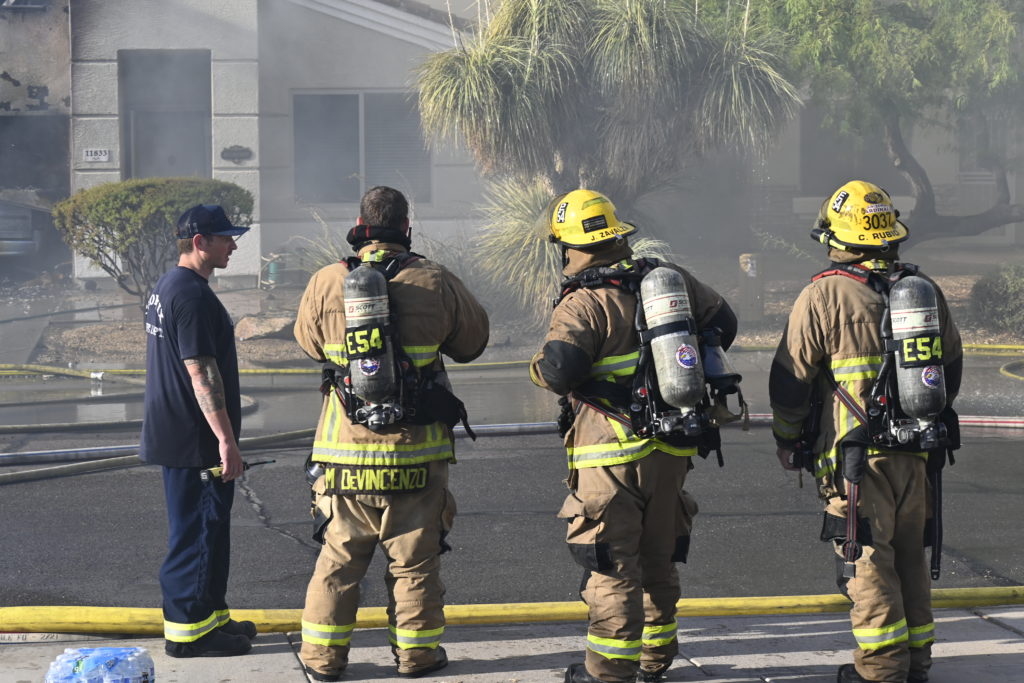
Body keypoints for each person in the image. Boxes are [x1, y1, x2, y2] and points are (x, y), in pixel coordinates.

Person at [530, 189, 738, 683]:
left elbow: (559, 371)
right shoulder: (667, 280)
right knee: (658, 558)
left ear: (570, 246)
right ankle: (654, 660)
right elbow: (725, 324)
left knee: (613, 566)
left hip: (610, 457)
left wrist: (536, 366)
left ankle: (609, 672)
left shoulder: (584, 301)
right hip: (670, 447)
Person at [769, 180, 962, 683]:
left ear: (838, 236)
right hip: (917, 455)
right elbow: (950, 371)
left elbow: (790, 381)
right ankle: (916, 664)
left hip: (857, 461)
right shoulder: (921, 290)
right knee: (910, 558)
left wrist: (789, 439)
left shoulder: (822, 294)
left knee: (868, 563)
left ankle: (880, 671)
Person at [294, 186, 489, 681]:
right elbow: (473, 343)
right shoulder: (435, 280)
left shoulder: (326, 281)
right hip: (416, 455)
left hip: (344, 455)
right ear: (406, 227)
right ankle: (417, 657)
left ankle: (322, 660)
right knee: (414, 564)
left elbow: (309, 345)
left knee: (338, 561)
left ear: (361, 224)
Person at [140, 204, 256, 658]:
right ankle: (190, 634)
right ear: (199, 242)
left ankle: (213, 616)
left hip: (180, 433)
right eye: (225, 238)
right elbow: (201, 373)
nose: (233, 246)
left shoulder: (168, 286)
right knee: (196, 535)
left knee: (211, 531)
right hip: (195, 440)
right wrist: (226, 441)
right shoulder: (191, 297)